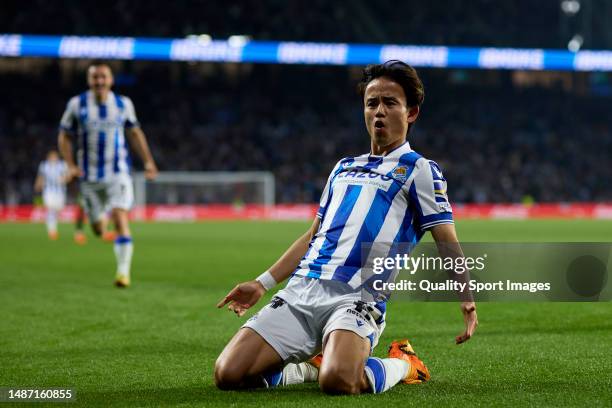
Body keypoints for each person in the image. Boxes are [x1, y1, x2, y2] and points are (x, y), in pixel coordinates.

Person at [214, 61, 478, 395]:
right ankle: (308, 367)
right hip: (301, 292)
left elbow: (446, 240)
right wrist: (262, 283)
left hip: (357, 298)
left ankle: (404, 363)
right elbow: (313, 236)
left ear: (411, 113)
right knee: (229, 375)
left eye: (390, 103)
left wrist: (466, 298)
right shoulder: (343, 168)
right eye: (372, 103)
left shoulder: (419, 170)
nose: (379, 111)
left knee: (339, 381)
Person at [58, 61, 158, 287]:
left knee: (120, 218)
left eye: (104, 77)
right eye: (95, 77)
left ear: (111, 80)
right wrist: (71, 165)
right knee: (98, 229)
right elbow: (64, 135)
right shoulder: (77, 104)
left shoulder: (123, 104)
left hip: (118, 174)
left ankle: (123, 273)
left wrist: (149, 162)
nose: (100, 81)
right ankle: (104, 219)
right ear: (89, 80)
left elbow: (134, 132)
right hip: (89, 178)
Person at [34, 150, 68, 240]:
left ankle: (52, 227)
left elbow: (67, 176)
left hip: (60, 192)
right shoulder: (44, 165)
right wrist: (38, 184)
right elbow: (41, 176)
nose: (53, 158)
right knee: (50, 209)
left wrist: (64, 179)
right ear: (48, 157)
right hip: (48, 191)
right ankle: (52, 231)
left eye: (55, 156)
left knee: (58, 209)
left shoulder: (62, 165)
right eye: (52, 157)